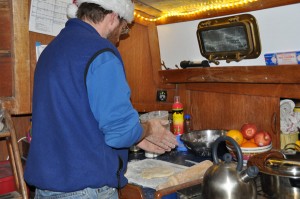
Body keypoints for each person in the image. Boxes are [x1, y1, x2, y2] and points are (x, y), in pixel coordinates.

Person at [24, 0, 178, 198]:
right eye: (123, 29)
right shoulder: (101, 52)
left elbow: (77, 117)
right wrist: (149, 128)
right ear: (113, 17)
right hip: (85, 190)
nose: (118, 39)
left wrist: (138, 137)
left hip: (47, 190)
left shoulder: (51, 50)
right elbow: (120, 133)